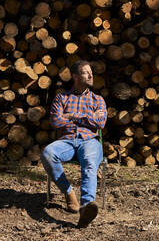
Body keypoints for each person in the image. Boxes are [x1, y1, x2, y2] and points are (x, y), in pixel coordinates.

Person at [40, 60, 107, 228]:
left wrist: (72, 116)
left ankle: (86, 207)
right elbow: (56, 121)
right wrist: (87, 117)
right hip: (67, 142)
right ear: (75, 77)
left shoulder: (98, 99)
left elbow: (100, 122)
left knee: (90, 163)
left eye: (91, 72)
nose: (91, 75)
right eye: (86, 72)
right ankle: (69, 193)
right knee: (48, 153)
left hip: (89, 141)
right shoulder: (61, 97)